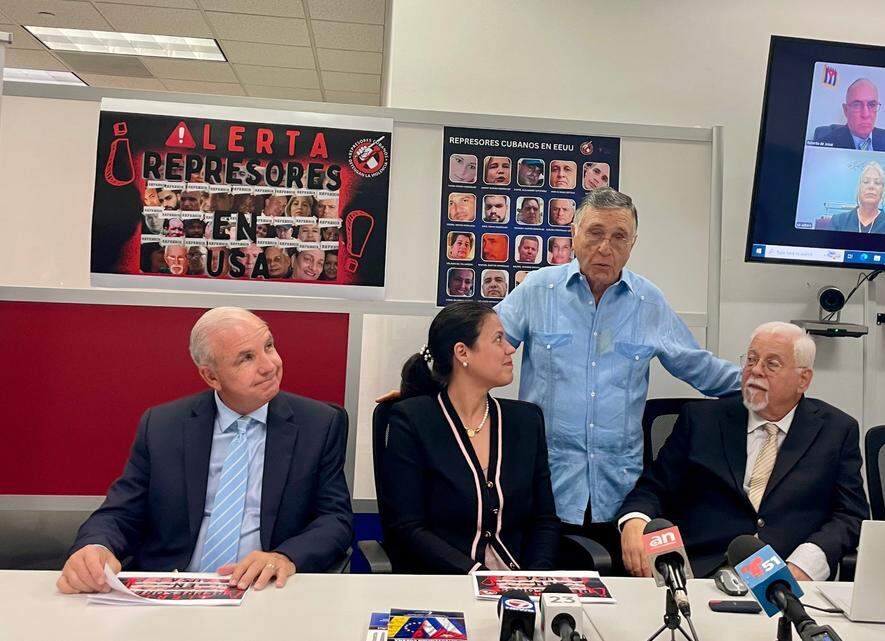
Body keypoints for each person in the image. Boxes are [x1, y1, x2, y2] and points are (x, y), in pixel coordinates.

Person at [495, 187, 740, 559]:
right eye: (595, 233)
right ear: (573, 235)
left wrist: (767, 388)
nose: (605, 247)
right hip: (543, 490)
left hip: (619, 496)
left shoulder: (648, 302)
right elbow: (481, 345)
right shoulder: (538, 291)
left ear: (632, 244)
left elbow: (701, 368)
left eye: (619, 236)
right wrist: (427, 377)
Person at [58, 308, 353, 594]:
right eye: (246, 358)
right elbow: (121, 512)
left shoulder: (319, 423)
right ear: (211, 377)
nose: (269, 365)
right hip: (173, 590)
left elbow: (335, 520)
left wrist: (285, 556)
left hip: (264, 591)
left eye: (269, 346)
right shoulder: (163, 425)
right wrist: (94, 548)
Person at [618, 322, 868, 579]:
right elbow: (653, 489)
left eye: (772, 364)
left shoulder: (836, 430)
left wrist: (809, 561)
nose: (755, 371)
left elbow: (850, 515)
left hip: (784, 576)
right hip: (700, 574)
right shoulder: (702, 420)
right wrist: (635, 520)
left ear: (803, 379)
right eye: (751, 360)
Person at [382, 303, 561, 573]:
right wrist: (478, 577)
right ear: (462, 352)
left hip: (520, 586)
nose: (510, 349)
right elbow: (409, 527)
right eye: (498, 339)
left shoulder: (526, 421)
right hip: (445, 584)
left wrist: (533, 579)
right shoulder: (413, 420)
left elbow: (544, 520)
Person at [812, 78, 885, 153]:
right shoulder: (825, 144)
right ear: (845, 110)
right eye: (857, 105)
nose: (865, 114)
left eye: (872, 105)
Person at [826, 161, 885, 235]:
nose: (871, 186)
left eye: (877, 183)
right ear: (859, 188)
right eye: (866, 182)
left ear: (883, 191)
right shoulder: (838, 221)